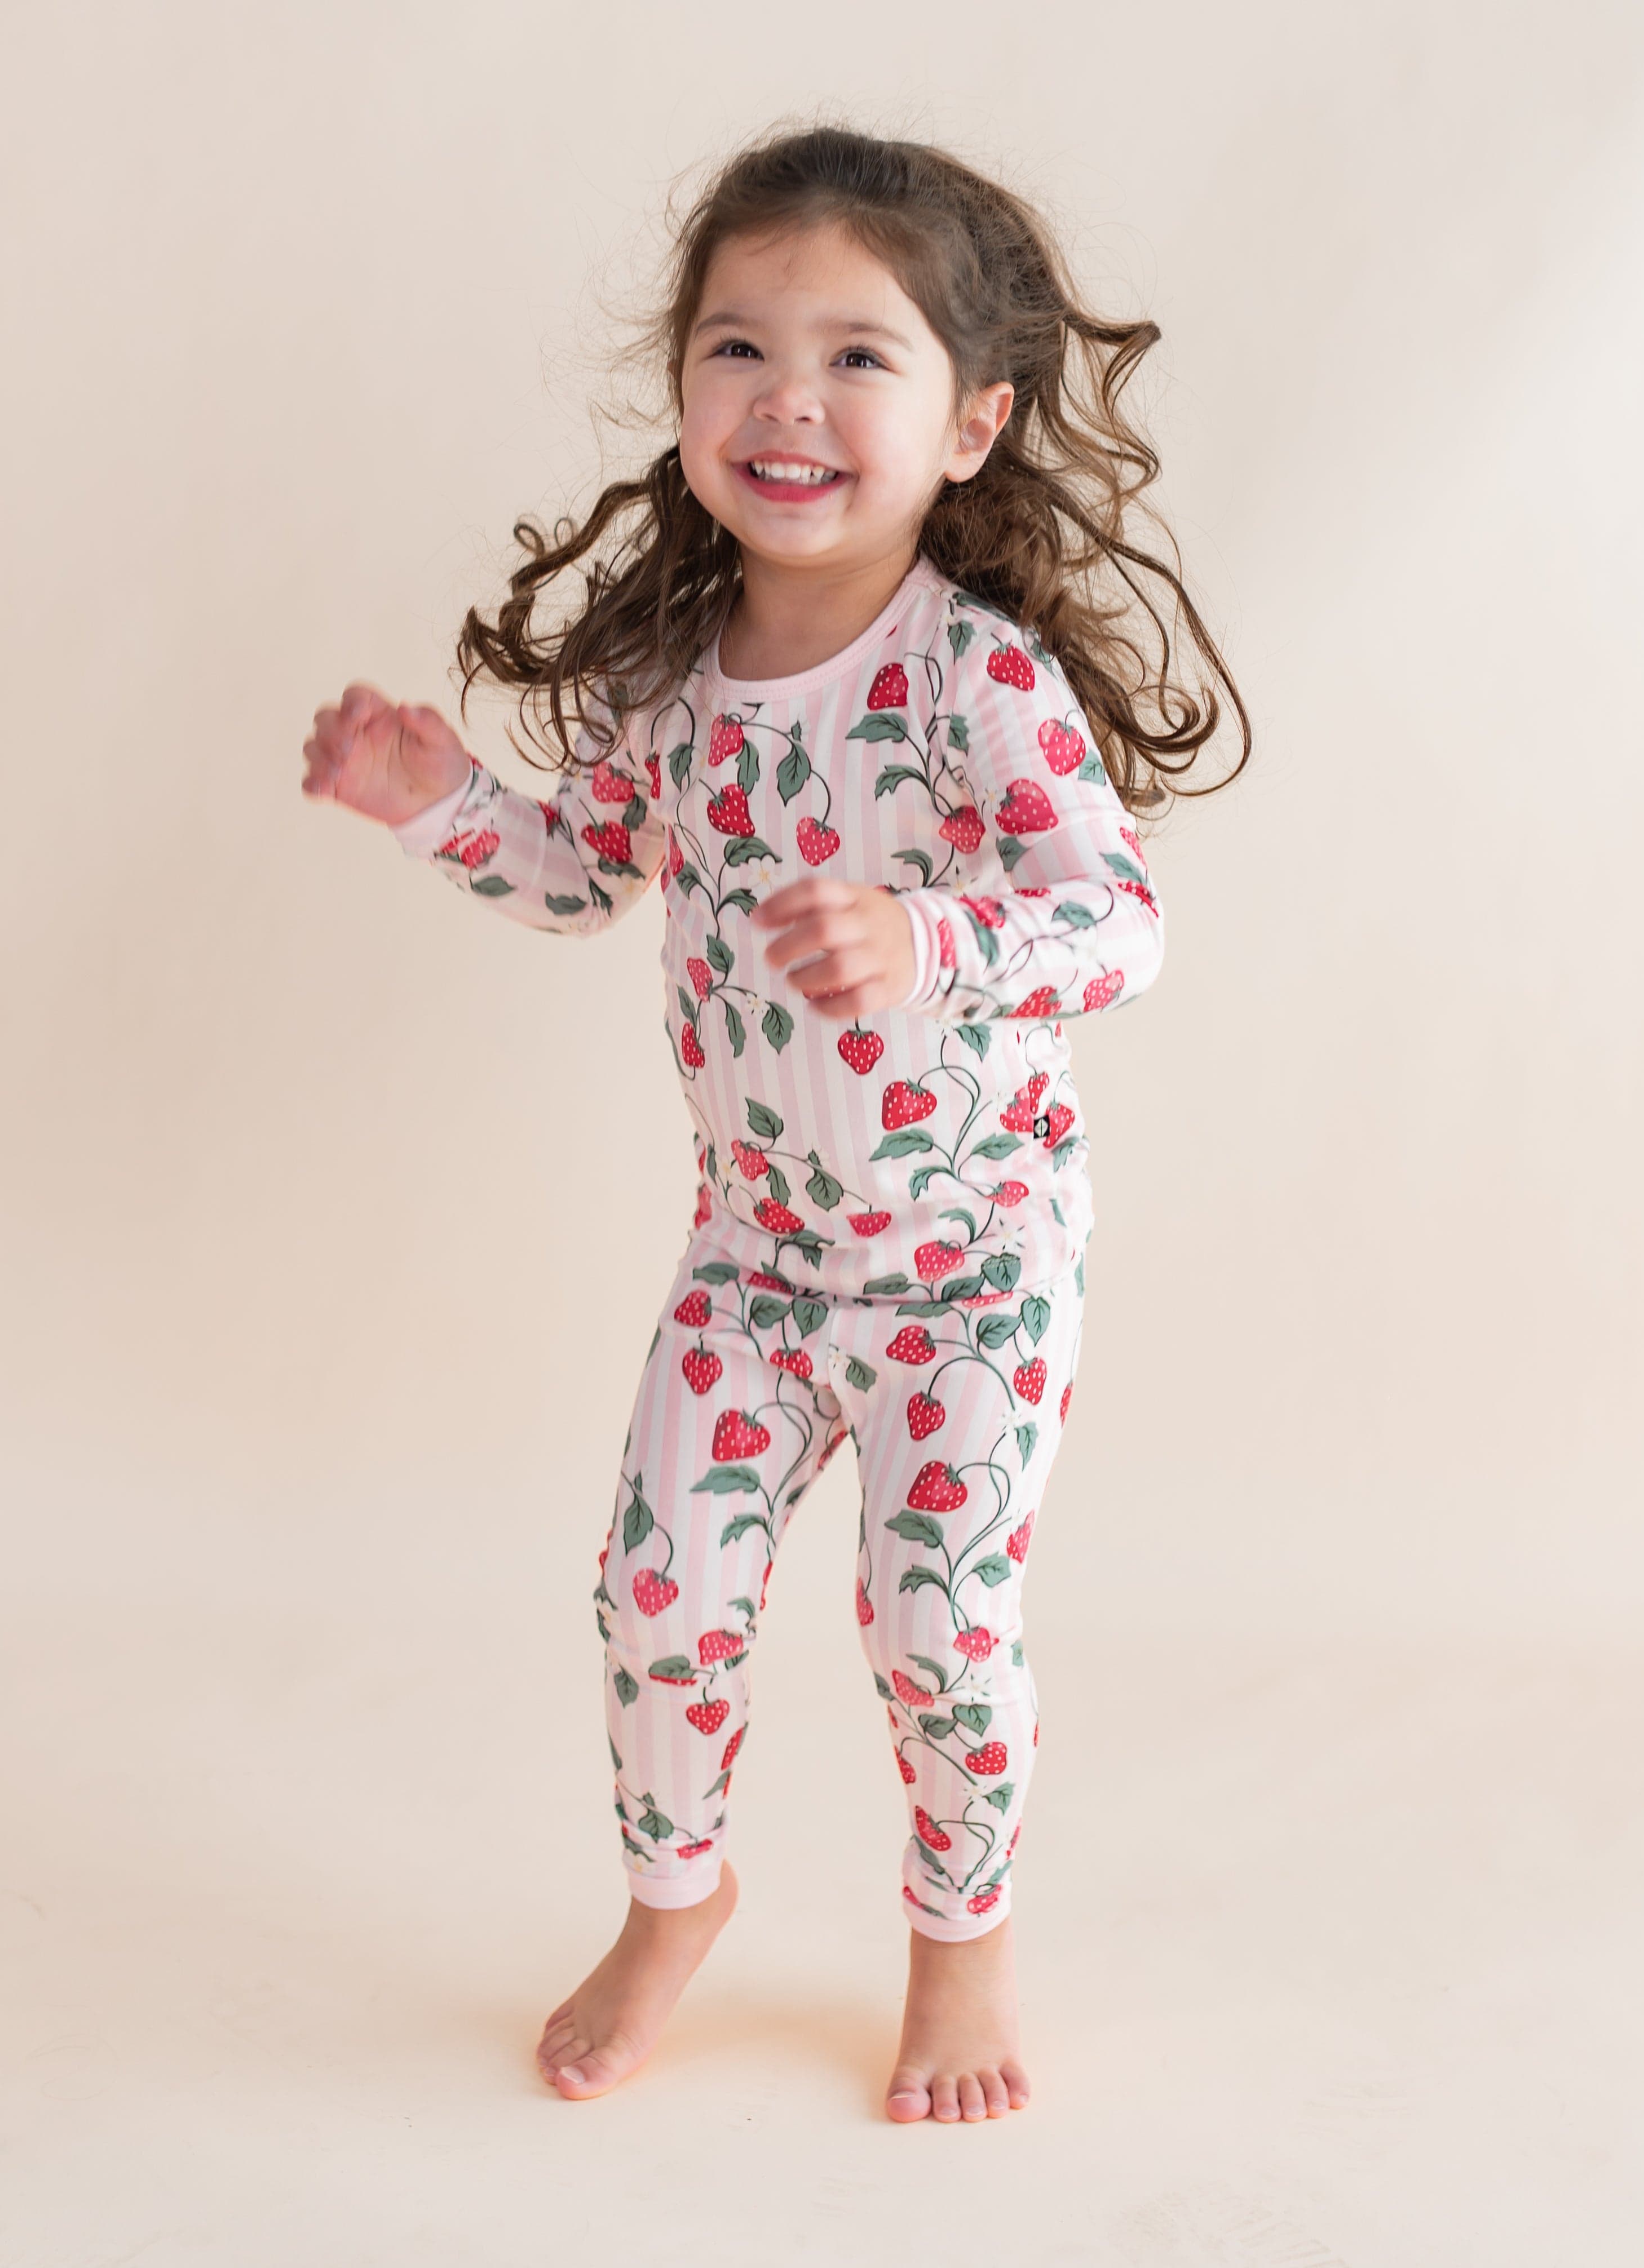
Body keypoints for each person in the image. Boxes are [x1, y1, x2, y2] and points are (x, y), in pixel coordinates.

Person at [299, 124, 1247, 2124]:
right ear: (682, 390)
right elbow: (581, 875)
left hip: (973, 1270)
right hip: (756, 1261)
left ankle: (961, 1945)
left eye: (856, 357)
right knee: (657, 1599)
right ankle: (677, 1901)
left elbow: (1122, 924)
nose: (787, 399)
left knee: (936, 1624)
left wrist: (932, 937)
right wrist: (437, 803)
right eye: (738, 347)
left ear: (973, 424)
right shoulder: (674, 683)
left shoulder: (977, 681)